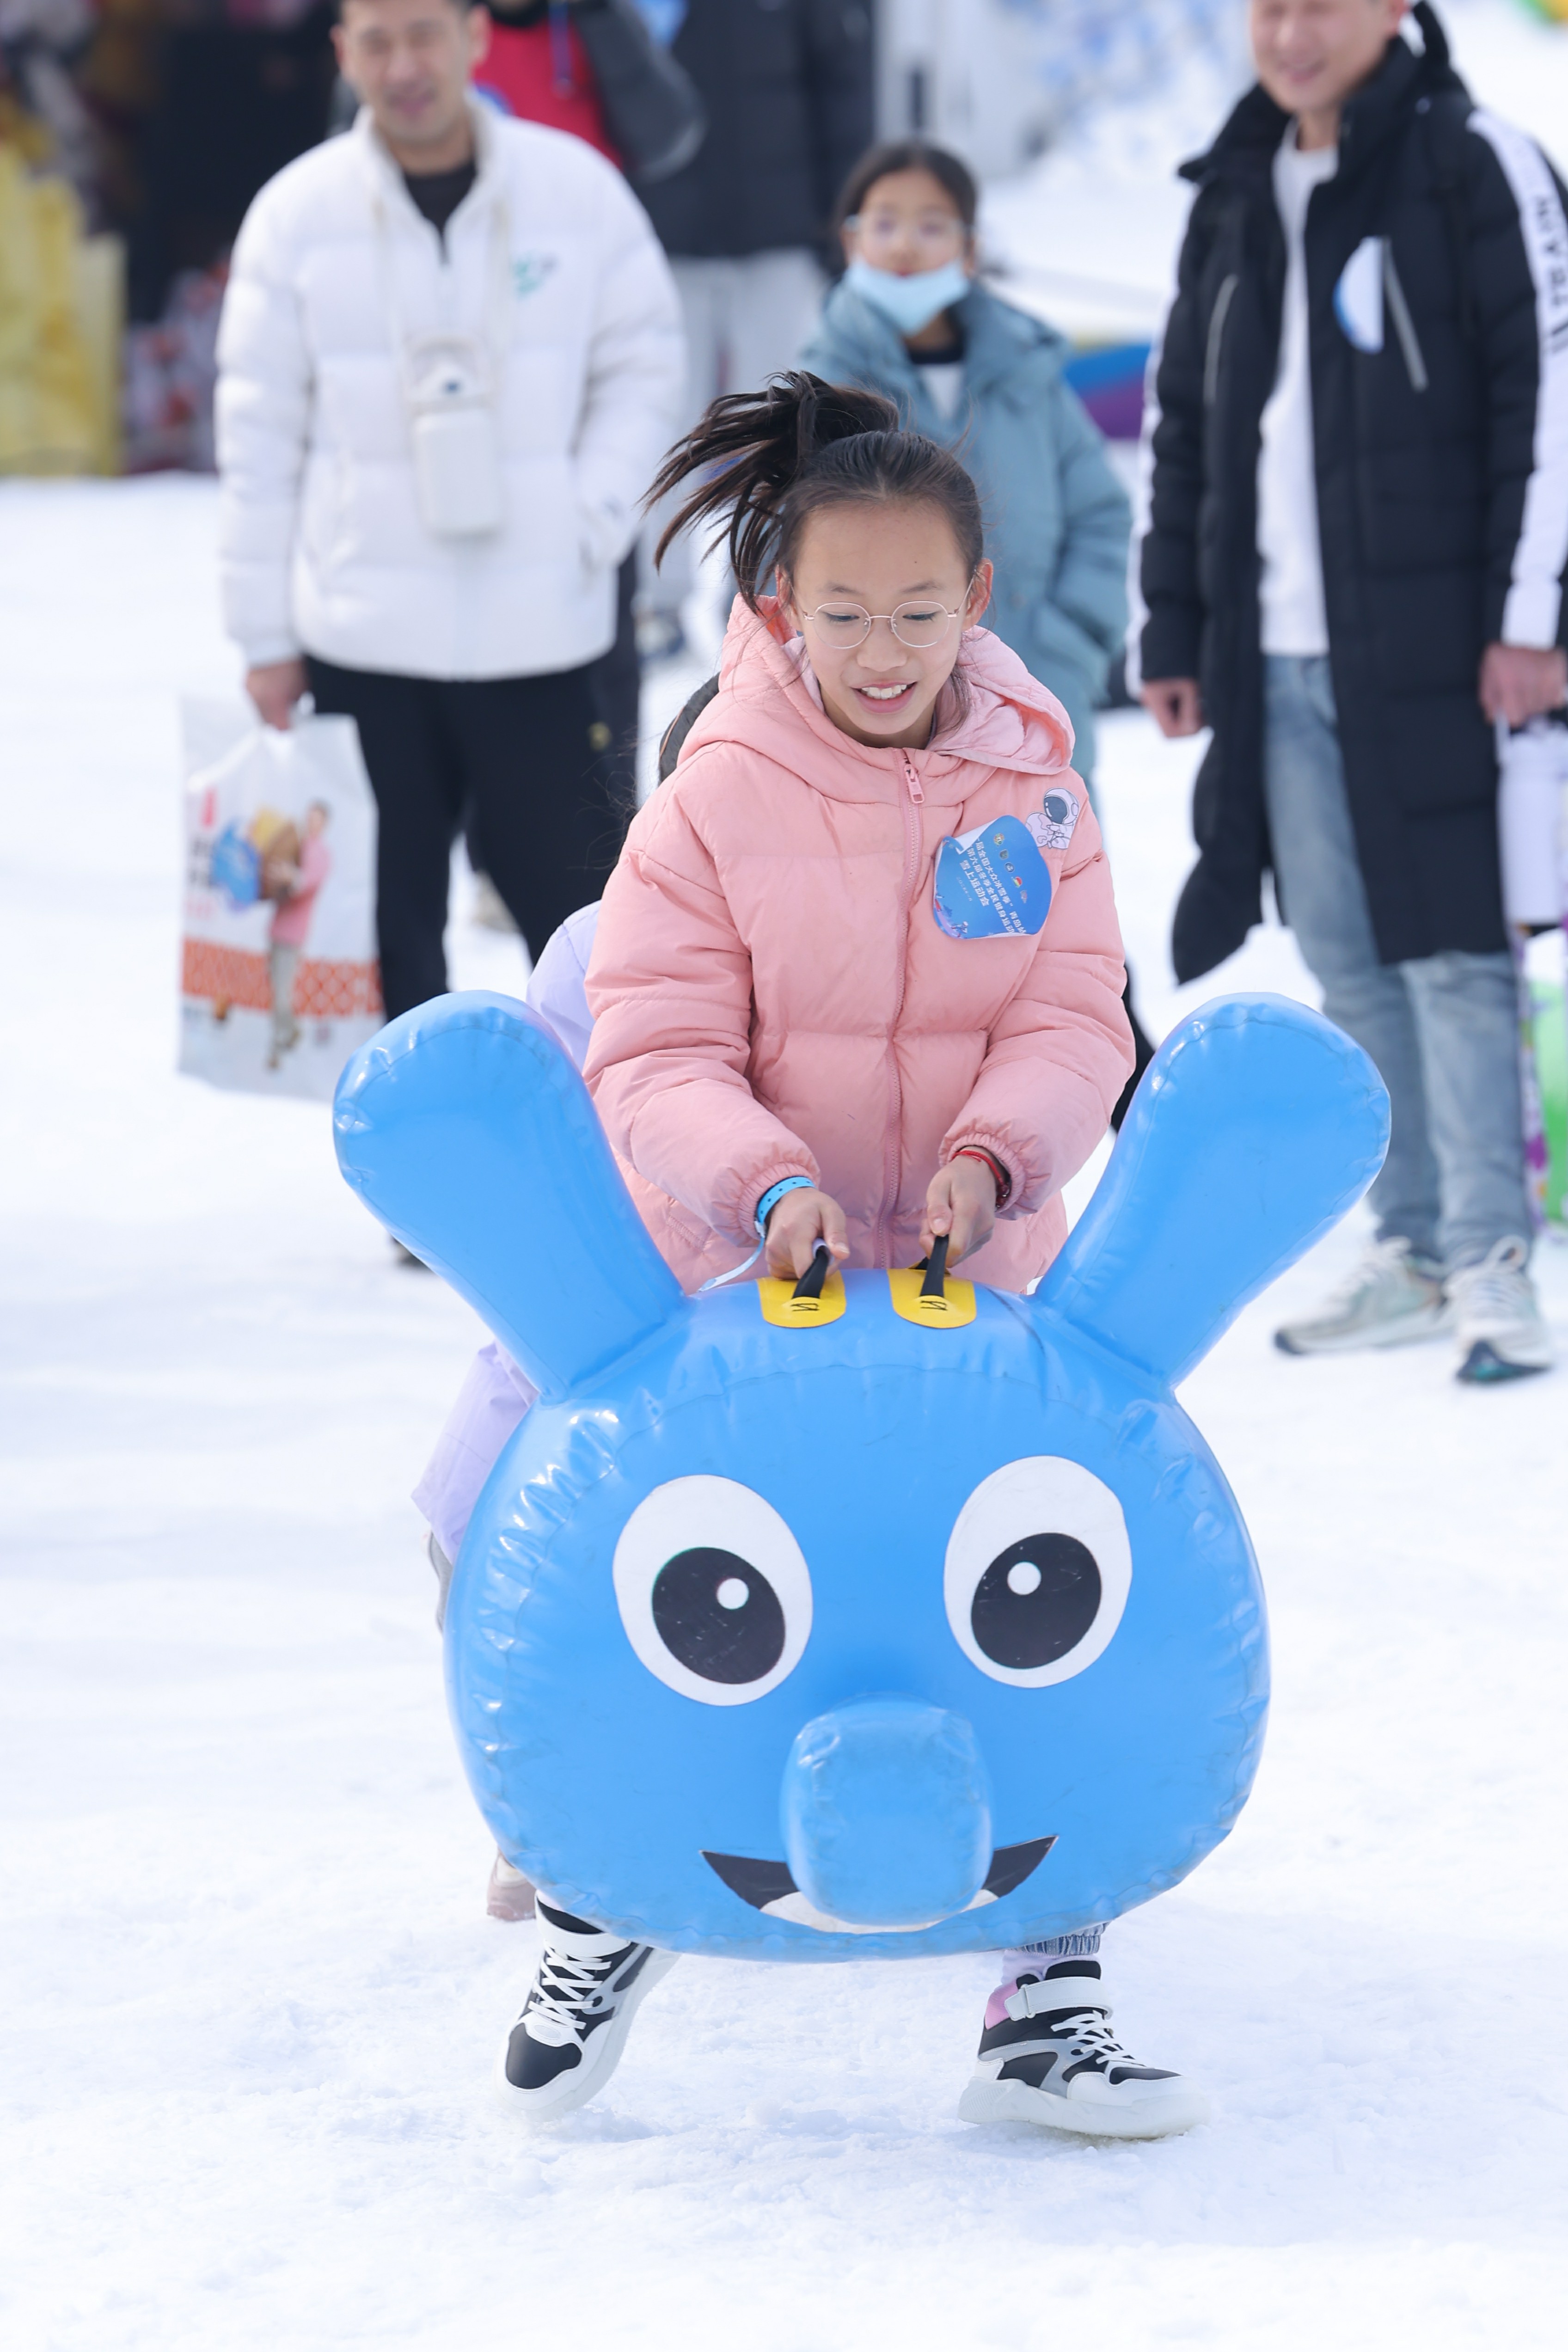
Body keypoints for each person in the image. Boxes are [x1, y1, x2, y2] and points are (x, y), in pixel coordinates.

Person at [436, 374, 1212, 2139]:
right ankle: (606, 1904)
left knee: (1016, 1599)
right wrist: (763, 1183)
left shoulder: (1035, 787)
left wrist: (995, 1152)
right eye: (846, 613)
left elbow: (1074, 1008)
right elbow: (650, 1038)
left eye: (918, 612)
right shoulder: (711, 793)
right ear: (781, 607)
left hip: (970, 1271)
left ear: (980, 595)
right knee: (705, 1601)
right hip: (735, 1287)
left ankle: (1048, 1983)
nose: (883, 649)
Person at [1135, 0, 1561, 1381]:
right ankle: (1412, 1240)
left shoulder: (1472, 162)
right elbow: (1184, 418)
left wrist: (1529, 616)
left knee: (1451, 952)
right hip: (1274, 655)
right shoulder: (1232, 188)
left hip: (1440, 647)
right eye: (1266, 5)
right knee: (1345, 958)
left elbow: (1544, 394)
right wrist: (1173, 625)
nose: (1289, 30)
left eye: (1321, 1)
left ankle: (1493, 1255)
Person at [215, 0, 684, 1026]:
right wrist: (262, 634)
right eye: (376, 41)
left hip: (544, 640)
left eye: (424, 33)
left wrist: (590, 517)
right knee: (387, 951)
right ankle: (417, 1174)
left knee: (594, 945)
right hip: (361, 644)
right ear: (343, 55)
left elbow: (645, 366)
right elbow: (256, 438)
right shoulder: (297, 214)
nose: (404, 65)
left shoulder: (575, 191)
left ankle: (603, 1169)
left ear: (475, 38)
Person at [800, 136, 1154, 1117]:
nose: (906, 246)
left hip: (1034, 697)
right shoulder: (824, 383)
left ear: (970, 243)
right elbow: (778, 548)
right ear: (847, 239)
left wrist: (1075, 649)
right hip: (892, 708)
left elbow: (1098, 511)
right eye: (885, 223)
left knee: (1060, 889)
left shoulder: (1028, 370)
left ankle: (1095, 1064)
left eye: (931, 223)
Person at [634, 0, 874, 659]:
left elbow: (843, 86)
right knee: (664, 421)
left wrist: (842, 218)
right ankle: (657, 596)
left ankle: (767, 585)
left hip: (780, 232)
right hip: (666, 237)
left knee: (785, 425)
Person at [265, 799, 332, 1070]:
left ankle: (278, 1048)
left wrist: (288, 876)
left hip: (294, 933)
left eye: (317, 819)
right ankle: (289, 1033)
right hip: (277, 928)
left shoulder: (320, 854)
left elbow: (306, 882)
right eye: (310, 818)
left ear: (324, 824)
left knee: (282, 994)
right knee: (275, 990)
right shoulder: (297, 845)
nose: (312, 823)